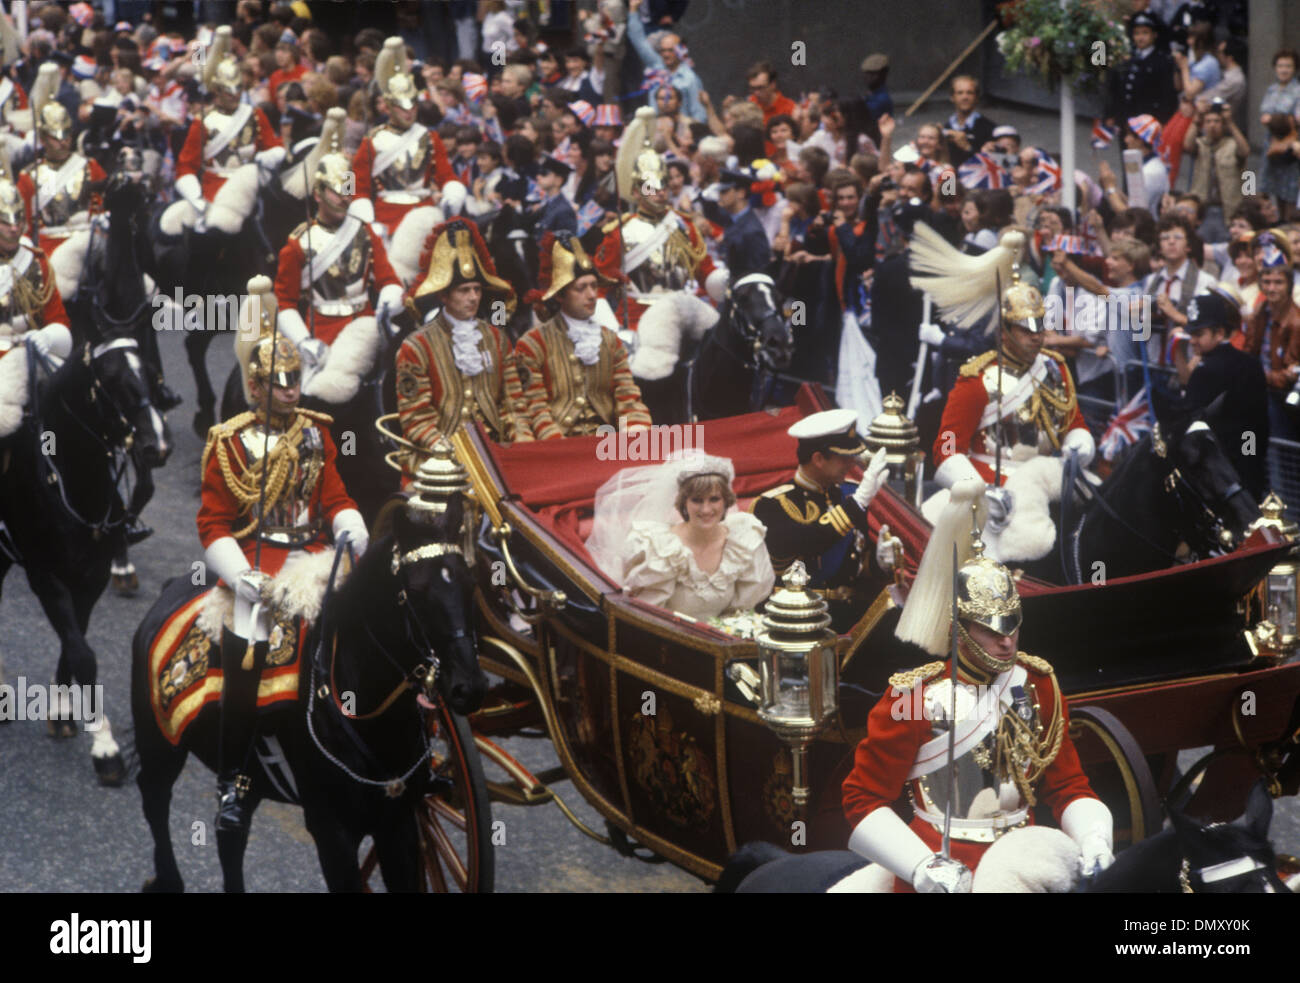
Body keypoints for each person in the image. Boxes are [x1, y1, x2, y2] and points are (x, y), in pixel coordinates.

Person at [842, 487, 1112, 893]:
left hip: (1028, 857)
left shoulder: (1037, 684)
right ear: (958, 631)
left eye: (1012, 624)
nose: (1007, 641)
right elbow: (863, 798)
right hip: (942, 864)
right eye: (990, 629)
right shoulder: (912, 699)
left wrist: (1094, 837)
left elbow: (1068, 786)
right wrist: (920, 867)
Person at [197, 277, 368, 834]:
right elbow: (213, 523)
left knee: (382, 620)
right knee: (247, 645)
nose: (294, 392)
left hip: (317, 555)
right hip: (255, 563)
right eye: (281, 383)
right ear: (255, 385)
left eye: (297, 381)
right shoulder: (228, 441)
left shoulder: (318, 436)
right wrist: (239, 574)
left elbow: (336, 499)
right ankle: (233, 777)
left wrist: (351, 524)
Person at [273, 112, 404, 405]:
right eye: (338, 192)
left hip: (366, 327)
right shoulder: (297, 245)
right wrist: (304, 342)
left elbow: (388, 280)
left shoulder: (366, 233)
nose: (346, 198)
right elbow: (285, 301)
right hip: (321, 332)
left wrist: (389, 301)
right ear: (318, 193)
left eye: (349, 190)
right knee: (305, 399)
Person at [750, 408, 894, 632]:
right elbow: (810, 542)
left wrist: (878, 563)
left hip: (849, 617)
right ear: (818, 459)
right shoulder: (772, 504)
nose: (852, 464)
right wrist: (858, 502)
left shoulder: (848, 495)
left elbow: (854, 564)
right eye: (844, 458)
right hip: (797, 619)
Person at [395, 218, 533, 451]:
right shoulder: (416, 347)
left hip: (496, 451)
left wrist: (522, 442)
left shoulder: (497, 339)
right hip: (440, 456)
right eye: (464, 290)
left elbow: (514, 404)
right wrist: (446, 450)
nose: (473, 297)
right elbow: (416, 418)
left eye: (477, 289)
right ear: (443, 296)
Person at [586, 453, 775, 620]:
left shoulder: (743, 539)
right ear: (683, 503)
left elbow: (741, 612)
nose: (706, 509)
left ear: (726, 501)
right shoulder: (659, 548)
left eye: (714, 499)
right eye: (697, 500)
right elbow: (649, 619)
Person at [516, 231, 651, 439]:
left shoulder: (611, 340)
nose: (591, 295)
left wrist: (633, 428)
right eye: (581, 288)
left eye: (594, 286)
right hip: (558, 449)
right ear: (561, 294)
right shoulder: (533, 344)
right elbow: (535, 407)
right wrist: (556, 444)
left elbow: (627, 396)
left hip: (607, 444)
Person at [351, 37, 465, 266]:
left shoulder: (429, 137)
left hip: (425, 213)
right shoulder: (371, 140)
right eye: (402, 108)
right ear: (389, 106)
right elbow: (353, 184)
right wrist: (364, 216)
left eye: (413, 105)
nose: (409, 112)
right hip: (385, 217)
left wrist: (453, 192)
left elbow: (446, 176)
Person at [165, 27, 285, 240]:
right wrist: (196, 197)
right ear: (217, 91)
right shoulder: (203, 122)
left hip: (254, 188)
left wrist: (267, 156)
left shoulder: (255, 114)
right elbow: (185, 167)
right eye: (229, 91)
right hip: (216, 193)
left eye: (238, 89)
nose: (235, 95)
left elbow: (275, 146)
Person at [15, 66, 105, 303]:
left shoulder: (89, 166)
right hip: (48, 244)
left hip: (88, 241)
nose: (63, 142)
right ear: (43, 138)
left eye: (67, 135)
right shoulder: (29, 177)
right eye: (56, 137)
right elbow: (22, 224)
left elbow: (102, 206)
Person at [1176, 290, 1268, 499]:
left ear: (1219, 333)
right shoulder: (1251, 364)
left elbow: (1188, 421)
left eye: (1199, 334)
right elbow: (1255, 427)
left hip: (1217, 473)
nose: (1192, 341)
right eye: (1191, 334)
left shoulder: (1206, 371)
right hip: (1248, 463)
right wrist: (1249, 460)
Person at [0, 178, 73, 432]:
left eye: (18, 219)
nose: (14, 228)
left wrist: (47, 337)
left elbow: (59, 323)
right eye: (5, 221)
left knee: (80, 393)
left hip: (31, 353)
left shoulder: (37, 263)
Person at [1182, 100, 1249, 244]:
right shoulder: (1200, 144)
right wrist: (1196, 119)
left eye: (1217, 121)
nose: (1212, 125)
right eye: (1209, 121)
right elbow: (1187, 145)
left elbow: (1245, 151)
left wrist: (1230, 122)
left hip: (1228, 209)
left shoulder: (1232, 145)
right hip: (1203, 209)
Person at [717, 168, 770, 280]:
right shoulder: (731, 219)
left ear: (741, 193)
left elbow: (759, 274)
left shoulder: (752, 230)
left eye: (724, 192)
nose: (720, 196)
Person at [943, 75, 996, 168]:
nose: (965, 97)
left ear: (976, 97)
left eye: (969, 93)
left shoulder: (990, 129)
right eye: (960, 93)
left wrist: (968, 148)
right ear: (952, 97)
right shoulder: (946, 127)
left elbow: (995, 167)